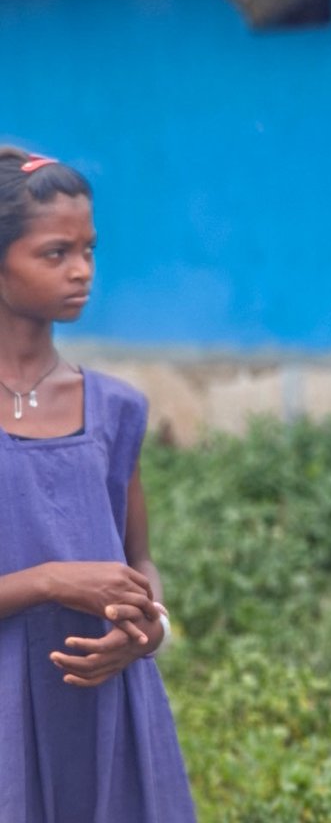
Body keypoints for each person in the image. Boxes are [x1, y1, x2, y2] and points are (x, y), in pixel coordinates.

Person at [0, 148, 196, 822]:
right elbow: (73, 574)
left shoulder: (114, 410)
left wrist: (147, 631)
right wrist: (51, 581)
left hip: (105, 712)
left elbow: (137, 561)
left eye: (89, 249)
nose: (82, 270)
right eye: (54, 253)